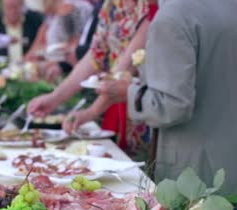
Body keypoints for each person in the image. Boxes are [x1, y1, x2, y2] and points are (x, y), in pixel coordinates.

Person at [94, 0, 237, 194]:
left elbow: (172, 107)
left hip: (193, 170)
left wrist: (128, 92)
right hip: (236, 160)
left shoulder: (173, 17)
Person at [28, 0, 150, 157]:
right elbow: (95, 57)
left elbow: (126, 68)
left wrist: (92, 112)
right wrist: (54, 98)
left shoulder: (152, 5)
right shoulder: (111, 5)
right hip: (112, 103)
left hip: (143, 107)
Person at [24, 0, 93, 82]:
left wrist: (53, 61)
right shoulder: (52, 16)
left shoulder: (74, 8)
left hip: (71, 69)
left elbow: (75, 44)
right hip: (61, 67)